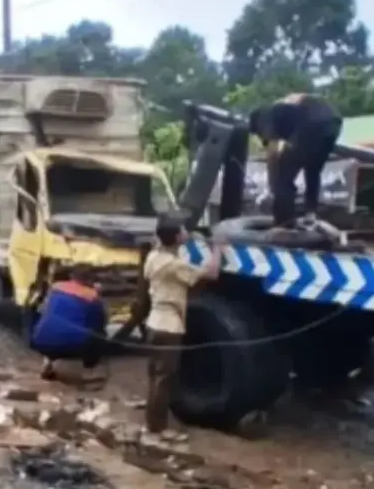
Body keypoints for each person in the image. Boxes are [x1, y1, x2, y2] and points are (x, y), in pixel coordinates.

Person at [141, 214, 225, 434]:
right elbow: (212, 273)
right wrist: (217, 248)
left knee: (155, 375)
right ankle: (157, 428)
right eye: (183, 230)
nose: (187, 232)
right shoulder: (175, 266)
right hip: (169, 327)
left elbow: (160, 242)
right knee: (164, 379)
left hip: (153, 322)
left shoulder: (153, 257)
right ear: (177, 237)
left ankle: (151, 422)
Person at [248, 93, 343, 229]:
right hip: (334, 122)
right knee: (313, 170)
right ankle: (310, 213)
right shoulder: (284, 111)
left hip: (311, 123)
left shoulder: (264, 117)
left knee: (283, 178)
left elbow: (273, 152)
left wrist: (272, 186)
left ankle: (284, 222)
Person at [29, 265, 109, 383]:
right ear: (91, 279)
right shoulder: (92, 296)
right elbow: (101, 321)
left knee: (49, 326)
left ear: (72, 277)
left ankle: (47, 364)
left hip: (41, 341)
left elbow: (42, 309)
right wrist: (98, 296)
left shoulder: (56, 288)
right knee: (99, 335)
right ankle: (88, 370)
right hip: (74, 345)